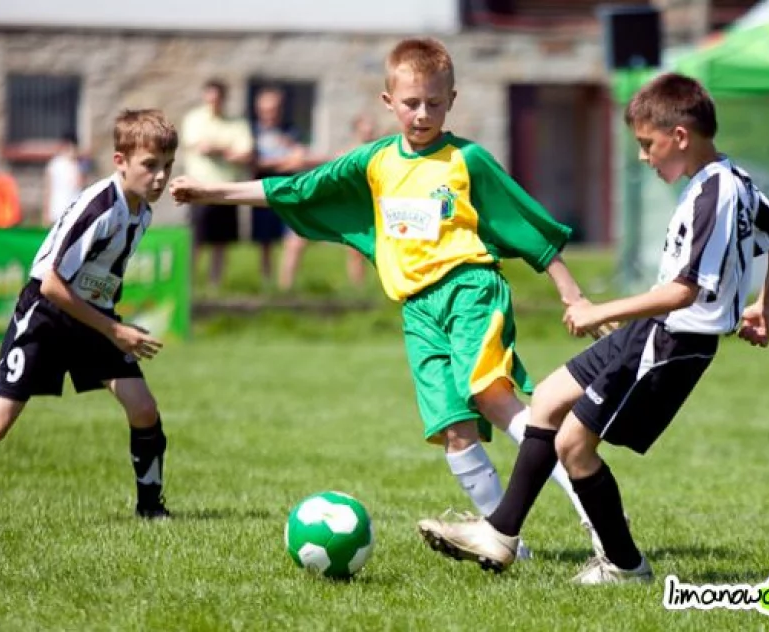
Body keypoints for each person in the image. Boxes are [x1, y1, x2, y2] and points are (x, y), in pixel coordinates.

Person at [170, 38, 605, 555]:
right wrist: (211, 191)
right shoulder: (375, 162)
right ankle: (505, 544)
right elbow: (298, 189)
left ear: (452, 99)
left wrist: (573, 294)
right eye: (411, 102)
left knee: (492, 395)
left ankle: (596, 516)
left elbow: (526, 226)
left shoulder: (467, 160)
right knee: (454, 431)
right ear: (388, 102)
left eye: (435, 103)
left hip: (469, 289)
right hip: (417, 309)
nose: (423, 113)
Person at [417, 72, 769, 584]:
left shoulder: (719, 194)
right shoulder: (728, 181)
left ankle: (623, 564)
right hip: (657, 329)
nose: (644, 157)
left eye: (648, 144)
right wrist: (764, 306)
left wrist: (600, 310)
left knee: (575, 446)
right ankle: (500, 533)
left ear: (680, 136)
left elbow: (685, 290)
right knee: (550, 398)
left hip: (674, 341)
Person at [0, 109, 179, 519]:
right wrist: (114, 328)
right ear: (120, 162)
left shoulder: (141, 211)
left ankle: (151, 510)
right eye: (150, 166)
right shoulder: (100, 207)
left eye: (167, 166)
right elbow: (51, 284)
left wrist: (109, 319)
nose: (160, 177)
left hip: (91, 318)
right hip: (46, 316)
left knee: (143, 407)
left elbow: (97, 276)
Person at [277, 113, 377, 291]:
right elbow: (327, 162)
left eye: (371, 127)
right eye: (365, 126)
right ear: (357, 130)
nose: (369, 130)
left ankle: (358, 291)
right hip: (334, 205)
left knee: (357, 251)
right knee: (296, 241)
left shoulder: (379, 153)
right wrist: (302, 158)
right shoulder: (349, 152)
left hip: (357, 209)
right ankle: (285, 287)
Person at [181, 79, 254, 290]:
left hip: (227, 188)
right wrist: (228, 150)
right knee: (197, 239)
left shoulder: (236, 123)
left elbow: (246, 152)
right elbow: (202, 147)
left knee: (221, 240)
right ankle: (188, 284)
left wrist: (219, 149)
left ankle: (215, 284)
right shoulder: (195, 119)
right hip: (199, 188)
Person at [250, 86, 307, 286]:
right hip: (262, 190)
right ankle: (266, 285)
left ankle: (286, 285)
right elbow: (252, 161)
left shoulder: (291, 131)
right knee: (265, 242)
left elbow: (299, 159)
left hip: (288, 190)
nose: (270, 115)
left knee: (295, 239)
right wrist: (281, 161)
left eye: (274, 109)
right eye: (266, 110)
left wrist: (270, 161)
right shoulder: (252, 132)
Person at [43, 132, 84, 227]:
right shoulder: (55, 164)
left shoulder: (78, 165)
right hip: (57, 212)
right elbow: (48, 189)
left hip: (74, 213)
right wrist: (46, 213)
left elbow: (80, 187)